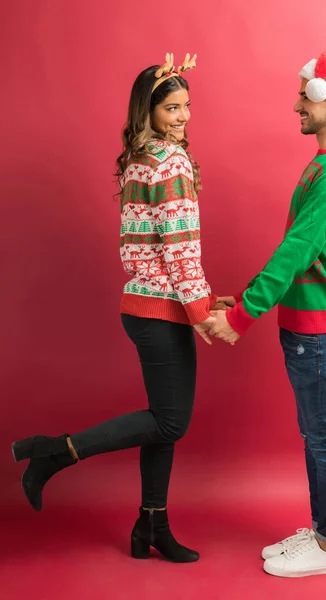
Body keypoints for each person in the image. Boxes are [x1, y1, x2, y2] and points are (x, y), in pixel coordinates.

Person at [12, 53, 224, 564]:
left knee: (162, 420)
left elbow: (160, 243)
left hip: (148, 303)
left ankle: (151, 524)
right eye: (171, 108)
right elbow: (175, 247)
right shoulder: (168, 162)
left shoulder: (141, 158)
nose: (182, 116)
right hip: (160, 310)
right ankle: (54, 451)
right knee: (171, 423)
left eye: (187, 106)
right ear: (146, 111)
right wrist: (202, 313)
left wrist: (201, 295)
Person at [213, 48, 326, 577]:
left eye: (306, 94)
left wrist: (241, 318)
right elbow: (305, 254)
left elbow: (297, 250)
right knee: (316, 435)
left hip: (321, 333)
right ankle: (322, 532)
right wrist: (247, 300)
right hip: (307, 330)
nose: (297, 104)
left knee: (324, 437)